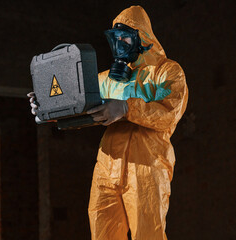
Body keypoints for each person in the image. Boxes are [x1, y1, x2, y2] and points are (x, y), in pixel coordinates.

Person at [28, 5, 188, 240]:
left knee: (148, 235)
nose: (119, 43)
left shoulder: (166, 72)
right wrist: (48, 107)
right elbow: (80, 100)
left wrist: (125, 107)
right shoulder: (107, 80)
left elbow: (170, 112)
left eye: (125, 37)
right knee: (103, 231)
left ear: (142, 38)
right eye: (115, 38)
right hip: (107, 165)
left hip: (146, 166)